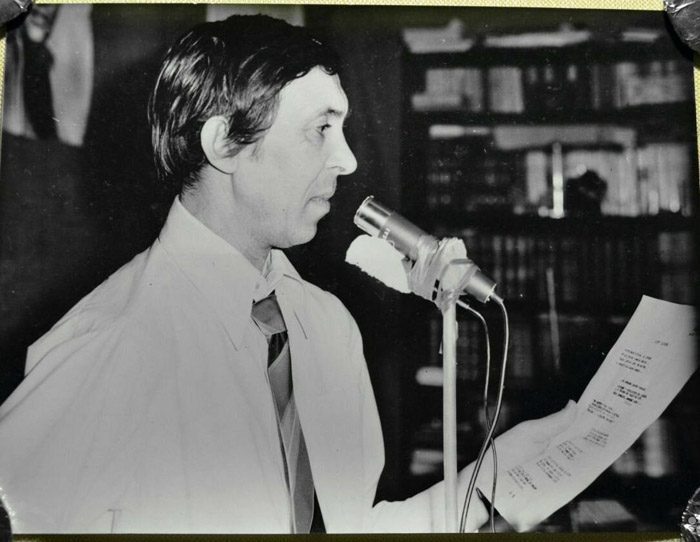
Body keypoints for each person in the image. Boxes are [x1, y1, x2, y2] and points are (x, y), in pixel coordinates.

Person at [0, 14, 576, 534]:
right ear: (224, 143)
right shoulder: (110, 342)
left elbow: (349, 526)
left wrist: (493, 481)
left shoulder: (325, 322)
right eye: (321, 128)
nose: (347, 160)